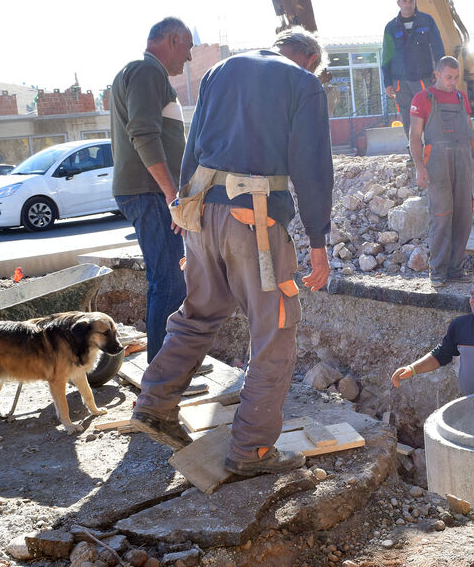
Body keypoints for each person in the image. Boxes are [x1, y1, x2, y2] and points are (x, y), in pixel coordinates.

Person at [130, 28, 334, 478]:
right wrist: (318, 243)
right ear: (309, 56)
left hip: (202, 214)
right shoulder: (303, 83)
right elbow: (312, 168)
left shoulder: (218, 71)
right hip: (254, 221)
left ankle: (154, 403)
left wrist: (184, 211)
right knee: (275, 332)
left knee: (199, 312)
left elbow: (192, 146)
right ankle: (251, 450)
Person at [110, 17, 192, 364]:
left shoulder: (145, 73)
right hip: (151, 194)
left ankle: (164, 366)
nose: (188, 58)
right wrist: (172, 196)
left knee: (170, 279)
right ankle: (163, 373)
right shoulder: (147, 72)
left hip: (151, 194)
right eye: (187, 47)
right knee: (170, 282)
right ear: (172, 40)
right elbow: (143, 135)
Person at [409, 55, 474, 287]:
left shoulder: (461, 98)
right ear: (438, 74)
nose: (453, 82)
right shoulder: (423, 98)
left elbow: (470, 133)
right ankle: (438, 271)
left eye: (456, 77)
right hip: (437, 161)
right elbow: (414, 136)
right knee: (442, 216)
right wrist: (419, 167)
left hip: (463, 158)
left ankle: (455, 270)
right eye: (449, 77)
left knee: (463, 216)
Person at [381, 0, 445, 141]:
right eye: (405, 1)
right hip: (401, 83)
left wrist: (440, 74)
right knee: (408, 119)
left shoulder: (426, 21)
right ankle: (415, 154)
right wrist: (387, 83)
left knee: (429, 115)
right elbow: (386, 57)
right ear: (398, 3)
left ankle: (431, 150)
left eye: (411, 0)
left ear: (415, 1)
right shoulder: (390, 27)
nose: (408, 4)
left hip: (423, 79)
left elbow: (438, 49)